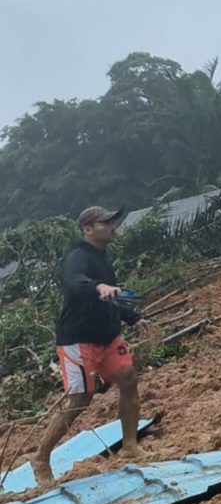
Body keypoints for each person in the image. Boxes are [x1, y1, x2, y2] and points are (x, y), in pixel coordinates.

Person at [31, 206, 150, 485]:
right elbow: (74, 283)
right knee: (81, 398)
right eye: (105, 222)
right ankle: (40, 458)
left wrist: (133, 318)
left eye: (112, 220)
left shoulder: (102, 258)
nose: (112, 225)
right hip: (78, 339)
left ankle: (130, 446)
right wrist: (98, 287)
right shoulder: (77, 257)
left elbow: (109, 297)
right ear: (87, 229)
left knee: (129, 378)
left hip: (107, 337)